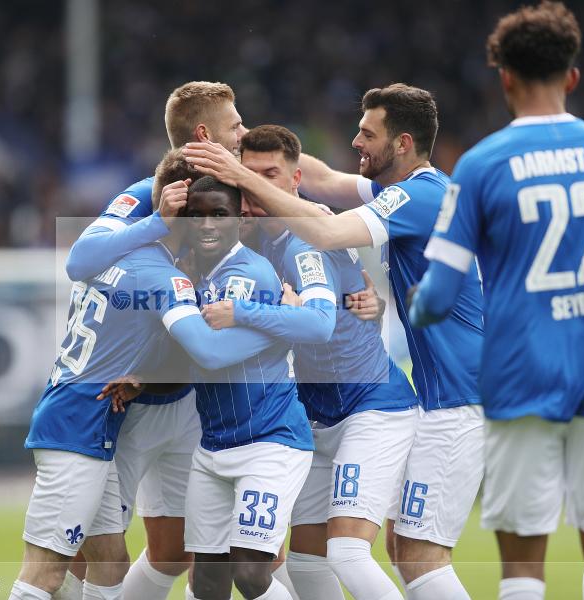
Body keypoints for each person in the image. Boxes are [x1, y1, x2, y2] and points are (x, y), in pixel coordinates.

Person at [408, 4, 584, 600]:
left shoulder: (479, 166)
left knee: (524, 572)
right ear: (572, 77)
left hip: (520, 382)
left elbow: (439, 297)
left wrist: (415, 301)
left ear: (503, 77)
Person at [183, 84, 484, 599]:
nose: (356, 140)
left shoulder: (419, 194)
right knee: (315, 558)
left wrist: (238, 171)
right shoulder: (398, 191)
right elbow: (317, 177)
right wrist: (237, 138)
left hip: (450, 398)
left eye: (369, 133)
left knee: (393, 553)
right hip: (378, 401)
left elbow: (325, 234)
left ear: (404, 142)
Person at [202, 124, 418, 600]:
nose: (257, 186)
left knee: (347, 552)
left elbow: (319, 323)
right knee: (302, 561)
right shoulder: (252, 243)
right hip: (317, 417)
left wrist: (243, 312)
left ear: (295, 179)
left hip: (372, 408)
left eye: (270, 174)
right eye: (248, 174)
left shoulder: (306, 240)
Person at [60, 81, 248, 600]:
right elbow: (79, 261)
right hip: (129, 407)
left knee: (177, 550)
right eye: (236, 125)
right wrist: (156, 222)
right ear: (205, 133)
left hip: (190, 402)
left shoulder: (244, 194)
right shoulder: (148, 192)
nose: (244, 133)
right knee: (93, 547)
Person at [180, 176, 315, 600]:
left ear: (240, 219)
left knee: (252, 574)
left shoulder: (247, 273)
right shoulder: (192, 274)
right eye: (197, 215)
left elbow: (214, 353)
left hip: (269, 442)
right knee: (206, 583)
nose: (207, 225)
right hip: (215, 445)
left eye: (218, 214)